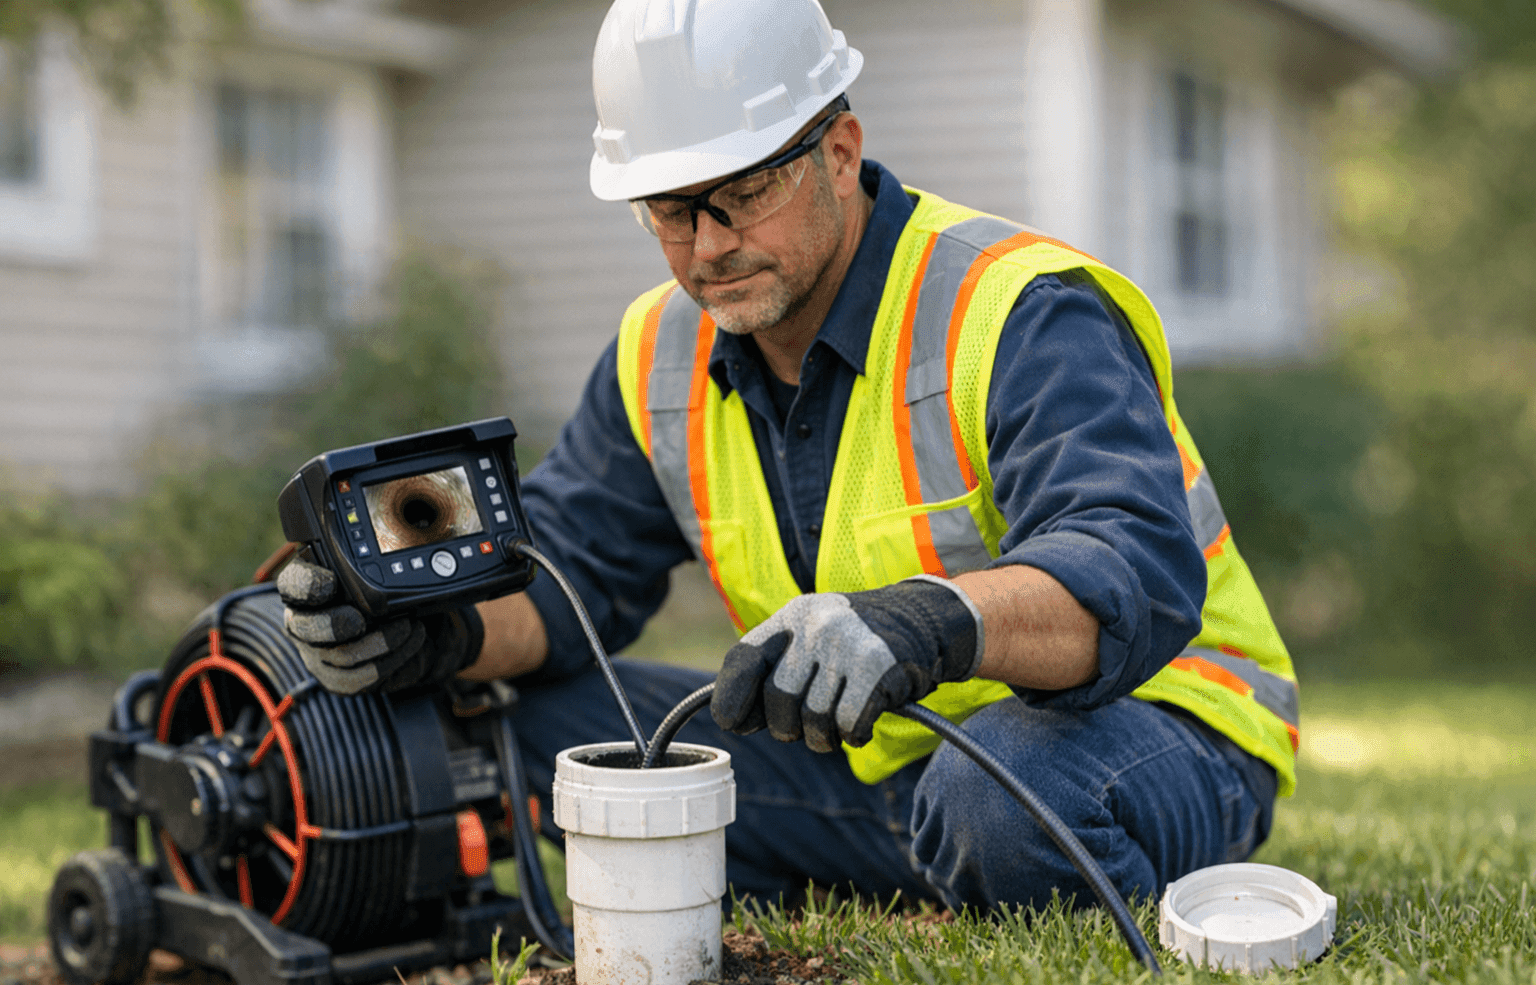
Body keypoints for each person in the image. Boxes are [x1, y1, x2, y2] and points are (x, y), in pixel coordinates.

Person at [278, 0, 1299, 913]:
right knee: (535, 723)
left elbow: (1126, 572)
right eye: (671, 211)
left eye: (741, 193)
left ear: (841, 151)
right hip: (873, 770)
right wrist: (439, 633)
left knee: (997, 797)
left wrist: (928, 621)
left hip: (1151, 725)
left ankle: (976, 852)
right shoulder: (656, 351)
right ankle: (931, 863)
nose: (708, 245)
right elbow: (569, 578)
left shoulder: (1020, 309)